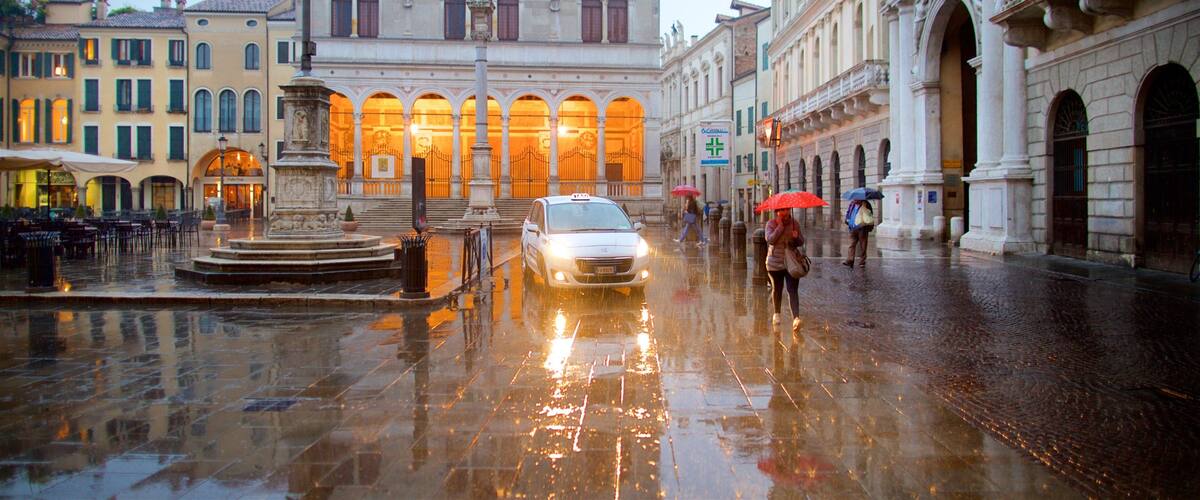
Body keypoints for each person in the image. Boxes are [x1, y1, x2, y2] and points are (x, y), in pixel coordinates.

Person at [765, 208, 804, 329]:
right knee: (777, 289)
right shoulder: (771, 223)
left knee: (792, 290)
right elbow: (770, 240)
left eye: (786, 210)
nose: (784, 213)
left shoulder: (794, 223)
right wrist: (780, 227)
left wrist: (796, 237)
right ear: (777, 212)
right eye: (781, 210)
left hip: (791, 262)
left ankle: (796, 318)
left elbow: (801, 242)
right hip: (775, 263)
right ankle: (776, 314)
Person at [843, 199, 874, 267]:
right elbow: (848, 212)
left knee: (863, 245)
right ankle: (850, 260)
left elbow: (870, 215)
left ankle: (862, 261)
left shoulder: (866, 204)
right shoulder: (852, 204)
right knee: (852, 244)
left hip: (862, 228)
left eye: (856, 198)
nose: (854, 199)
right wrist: (847, 219)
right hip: (853, 227)